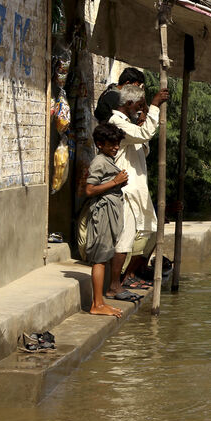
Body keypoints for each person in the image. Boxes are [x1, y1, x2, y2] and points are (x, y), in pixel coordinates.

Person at [105, 82, 169, 290]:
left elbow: (144, 147)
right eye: (139, 106)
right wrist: (155, 106)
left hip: (137, 190)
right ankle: (115, 284)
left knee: (149, 231)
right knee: (124, 240)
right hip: (126, 190)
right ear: (130, 103)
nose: (141, 110)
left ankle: (126, 276)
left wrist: (145, 118)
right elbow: (144, 135)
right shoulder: (117, 122)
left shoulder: (129, 125)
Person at [83, 124, 129, 317]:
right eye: (112, 144)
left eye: (117, 144)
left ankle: (100, 302)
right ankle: (97, 304)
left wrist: (116, 183)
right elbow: (89, 190)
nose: (116, 147)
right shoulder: (99, 162)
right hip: (102, 214)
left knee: (105, 257)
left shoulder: (108, 160)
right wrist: (115, 182)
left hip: (110, 213)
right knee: (100, 260)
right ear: (100, 144)